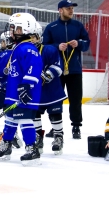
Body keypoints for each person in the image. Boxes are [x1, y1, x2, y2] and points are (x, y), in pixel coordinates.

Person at [0, 13, 43, 166]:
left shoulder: (28, 48)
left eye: (16, 28)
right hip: (13, 92)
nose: (12, 31)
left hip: (25, 93)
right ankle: (7, 145)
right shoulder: (18, 47)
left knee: (25, 119)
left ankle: (32, 148)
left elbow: (35, 67)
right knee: (10, 119)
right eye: (12, 27)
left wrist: (27, 85)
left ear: (26, 29)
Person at [42, 0, 90, 139]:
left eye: (72, 8)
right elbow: (44, 46)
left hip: (74, 69)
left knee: (76, 99)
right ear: (60, 10)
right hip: (56, 69)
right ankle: (56, 127)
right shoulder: (51, 27)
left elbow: (87, 43)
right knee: (55, 99)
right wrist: (57, 47)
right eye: (68, 8)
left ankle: (76, 126)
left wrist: (79, 43)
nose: (71, 10)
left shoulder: (78, 26)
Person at [31, 22, 67, 155]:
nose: (31, 40)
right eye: (29, 37)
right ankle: (38, 137)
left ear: (39, 37)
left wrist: (47, 75)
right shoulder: (25, 52)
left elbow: (58, 66)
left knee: (55, 115)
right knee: (35, 115)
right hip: (36, 93)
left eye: (33, 37)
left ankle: (58, 137)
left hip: (52, 91)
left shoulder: (49, 49)